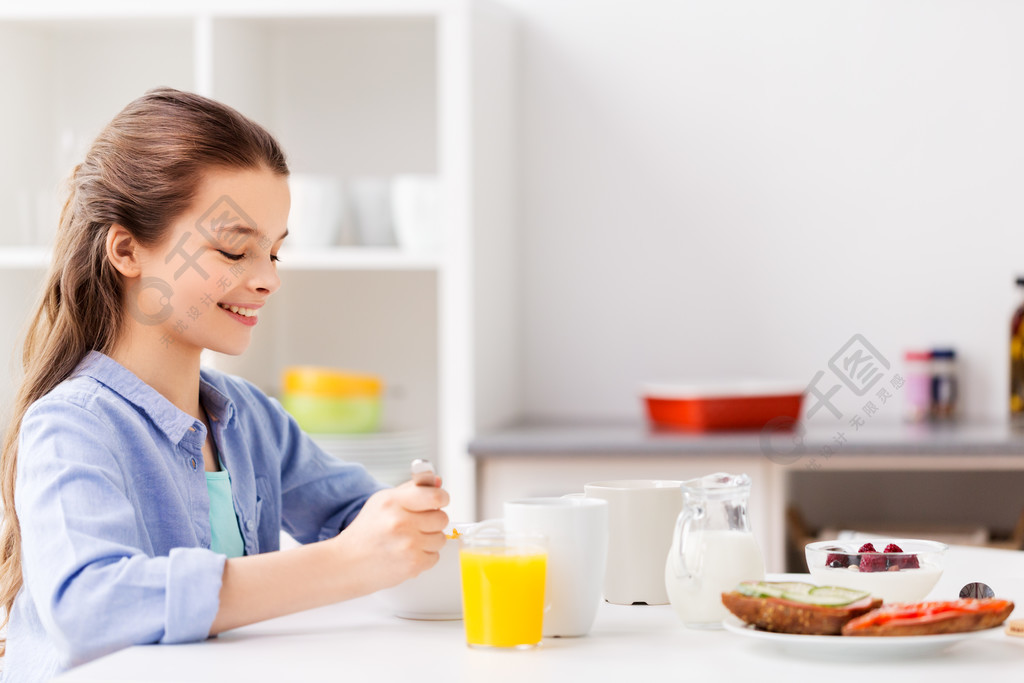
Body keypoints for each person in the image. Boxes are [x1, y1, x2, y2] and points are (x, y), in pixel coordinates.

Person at [0, 88, 449, 682]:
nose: (266, 279)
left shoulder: (248, 419)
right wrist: (345, 563)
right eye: (235, 249)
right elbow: (90, 607)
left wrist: (403, 520)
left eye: (274, 253)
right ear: (128, 249)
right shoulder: (74, 427)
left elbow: (355, 515)